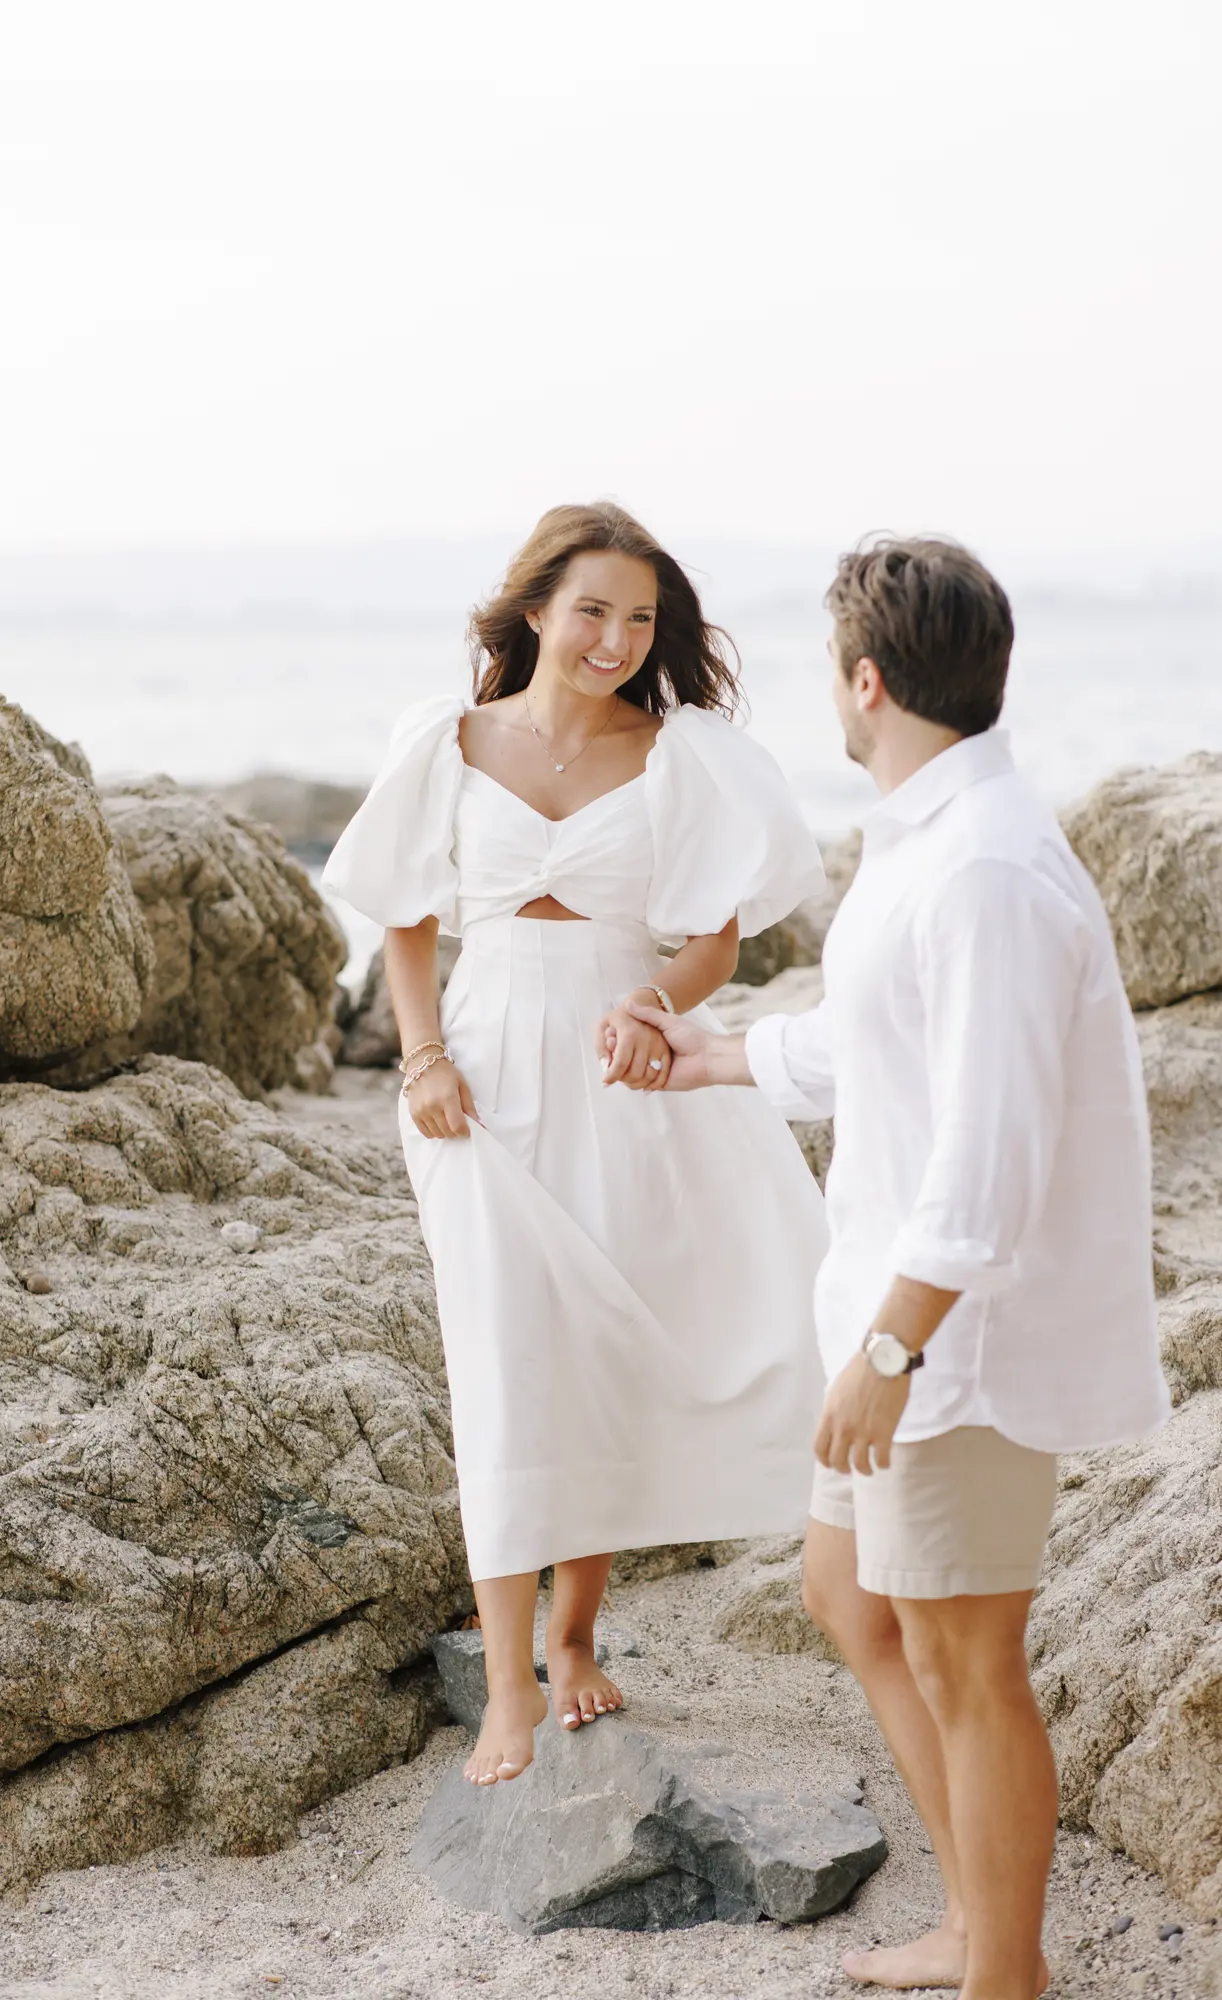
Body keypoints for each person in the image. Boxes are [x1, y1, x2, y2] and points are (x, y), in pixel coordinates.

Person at [619, 537, 1172, 2000]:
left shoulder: (987, 868)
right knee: (850, 1600)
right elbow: (880, 1044)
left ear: (866, 681)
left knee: (967, 1663)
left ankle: (1007, 1973)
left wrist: (889, 1353)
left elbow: (989, 1159)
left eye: (829, 669)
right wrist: (715, 1055)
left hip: (952, 1344)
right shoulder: (926, 834)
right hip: (892, 1312)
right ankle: (978, 1927)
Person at [324, 501, 829, 1789]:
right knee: (504, 1356)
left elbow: (717, 940)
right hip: (477, 1077)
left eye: (641, 619)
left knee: (597, 1346)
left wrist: (653, 1002)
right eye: (592, 609)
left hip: (619, 1070)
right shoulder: (445, 741)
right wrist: (422, 1058)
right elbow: (407, 920)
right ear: (537, 608)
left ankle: (575, 1637)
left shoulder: (679, 755)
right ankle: (508, 1681)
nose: (616, 638)